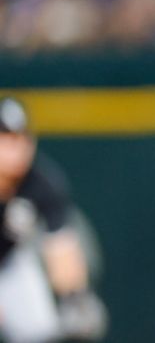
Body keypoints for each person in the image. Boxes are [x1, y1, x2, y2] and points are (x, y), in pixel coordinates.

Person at [0, 97, 107, 343]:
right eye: (6, 139)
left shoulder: (41, 183)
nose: (15, 148)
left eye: (21, 138)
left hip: (9, 265)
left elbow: (61, 245)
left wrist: (75, 297)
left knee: (40, 331)